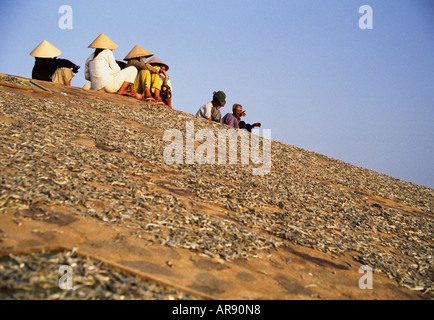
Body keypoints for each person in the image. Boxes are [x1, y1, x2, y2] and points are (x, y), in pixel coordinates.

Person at [85, 33, 141, 99]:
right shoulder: (107, 52)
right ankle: (122, 90)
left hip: (95, 88)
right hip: (109, 86)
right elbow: (116, 69)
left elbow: (87, 77)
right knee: (133, 69)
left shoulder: (89, 58)